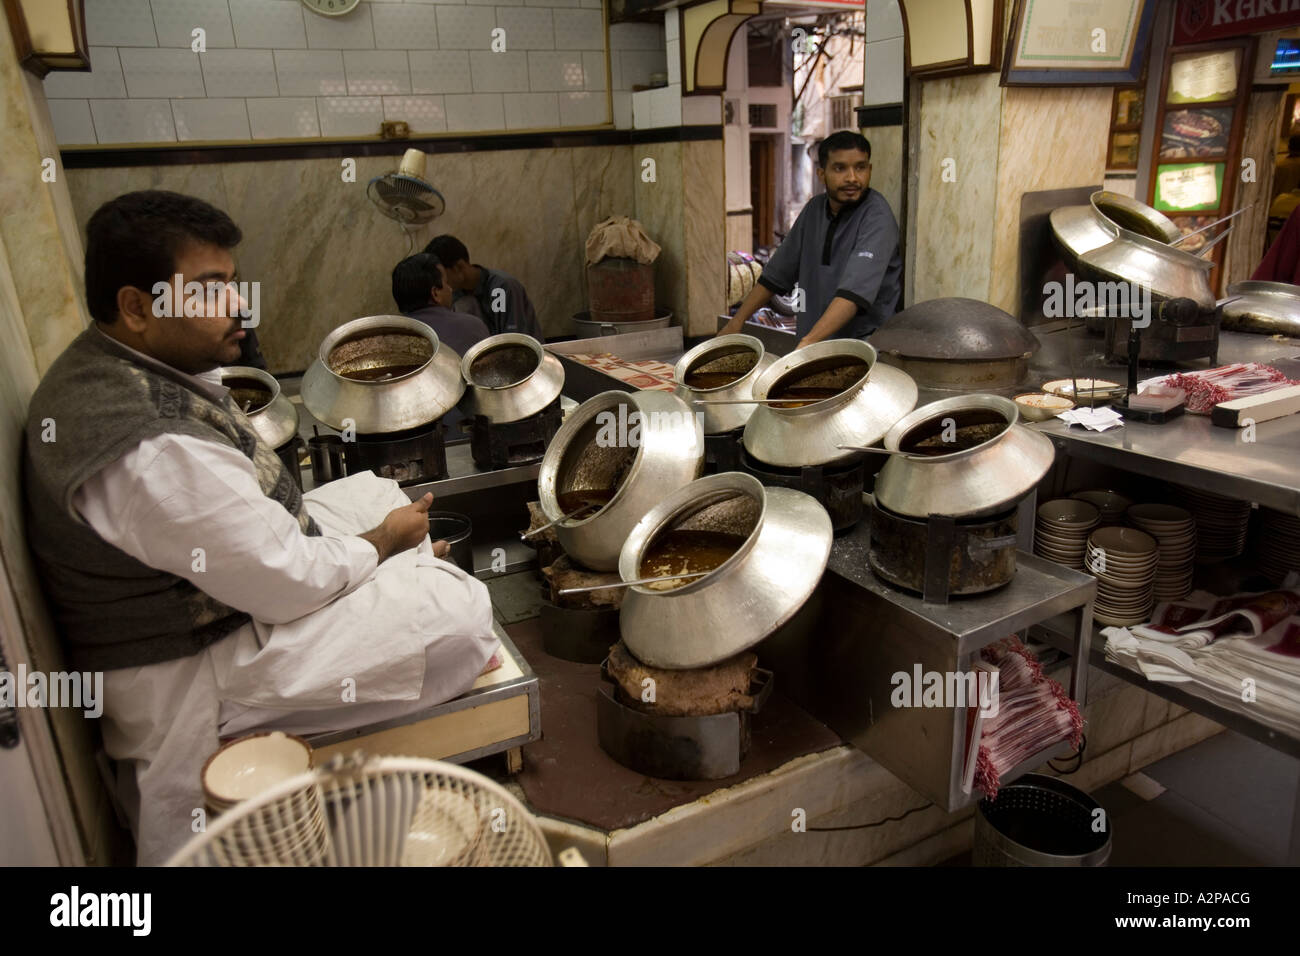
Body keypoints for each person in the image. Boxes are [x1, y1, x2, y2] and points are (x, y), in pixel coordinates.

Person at [23, 190, 500, 864]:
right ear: (136, 307)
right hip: (196, 667)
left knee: (371, 488)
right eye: (211, 290)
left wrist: (373, 539)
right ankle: (410, 576)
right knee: (460, 611)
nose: (239, 307)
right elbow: (283, 583)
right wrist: (387, 545)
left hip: (222, 595)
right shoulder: (149, 449)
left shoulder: (112, 363)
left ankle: (398, 567)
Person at [719, 130, 902, 346]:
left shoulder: (877, 216)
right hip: (814, 345)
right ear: (821, 174)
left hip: (862, 350)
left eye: (860, 167)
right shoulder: (813, 210)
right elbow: (776, 275)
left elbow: (853, 295)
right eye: (840, 168)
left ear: (869, 170)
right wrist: (737, 321)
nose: (852, 177)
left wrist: (807, 343)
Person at [424, 234, 543, 340]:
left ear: (458, 267)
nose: (440, 282)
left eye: (442, 275)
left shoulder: (500, 288)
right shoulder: (456, 295)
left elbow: (512, 336)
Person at [392, 252, 491, 357]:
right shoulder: (473, 327)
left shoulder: (390, 339)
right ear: (435, 293)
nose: (450, 289)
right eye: (446, 283)